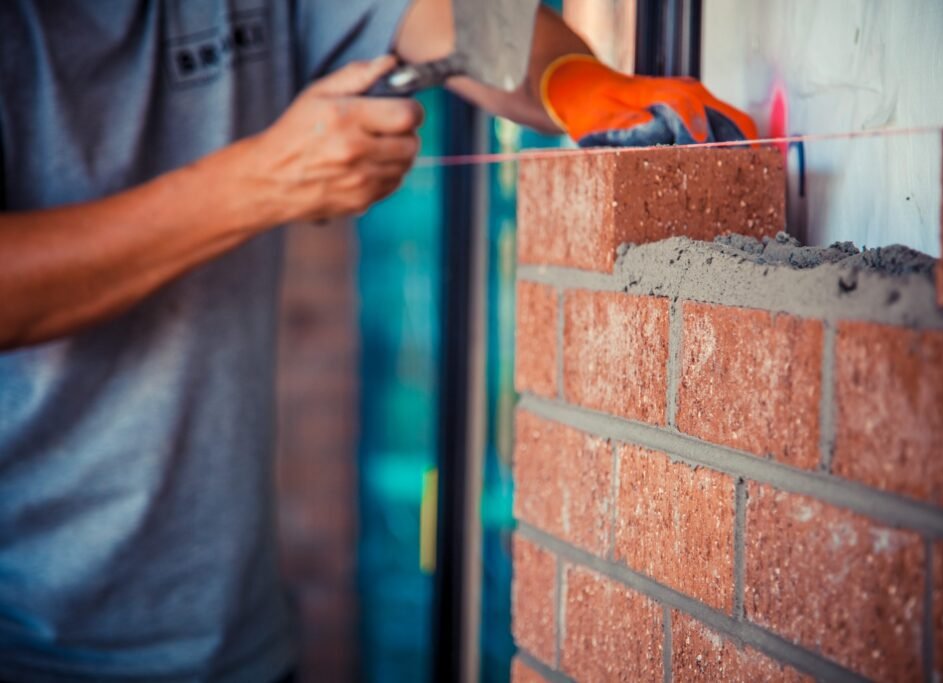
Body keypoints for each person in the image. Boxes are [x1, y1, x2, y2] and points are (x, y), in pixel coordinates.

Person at [0, 1, 755, 681]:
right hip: (31, 641)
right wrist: (258, 181)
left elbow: (458, 21)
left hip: (236, 638)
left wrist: (576, 80)